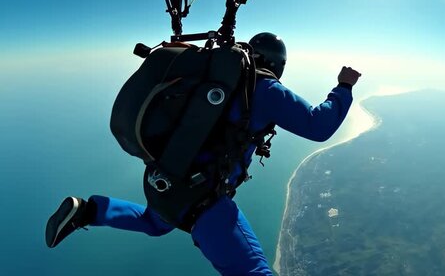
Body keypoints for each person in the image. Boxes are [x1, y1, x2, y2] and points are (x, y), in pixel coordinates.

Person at [45, 32, 361, 275]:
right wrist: (343, 87)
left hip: (163, 181)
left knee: (155, 222)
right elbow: (319, 126)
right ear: (277, 63)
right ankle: (91, 211)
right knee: (252, 271)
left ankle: (88, 210)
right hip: (203, 201)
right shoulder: (263, 88)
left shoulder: (207, 78)